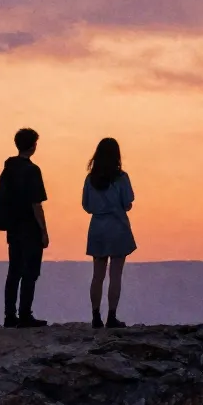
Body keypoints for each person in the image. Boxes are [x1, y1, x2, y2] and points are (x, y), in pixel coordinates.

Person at [83, 137, 136, 328]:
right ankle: (111, 316)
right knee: (115, 275)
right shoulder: (121, 178)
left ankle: (95, 316)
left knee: (97, 276)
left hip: (97, 228)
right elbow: (127, 203)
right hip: (117, 227)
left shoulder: (91, 179)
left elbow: (87, 206)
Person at [1, 128, 49, 328]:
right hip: (30, 228)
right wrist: (44, 231)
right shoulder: (32, 170)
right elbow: (36, 204)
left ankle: (10, 316)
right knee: (30, 272)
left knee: (14, 271)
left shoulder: (9, 168)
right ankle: (25, 315)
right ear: (32, 146)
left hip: (13, 227)